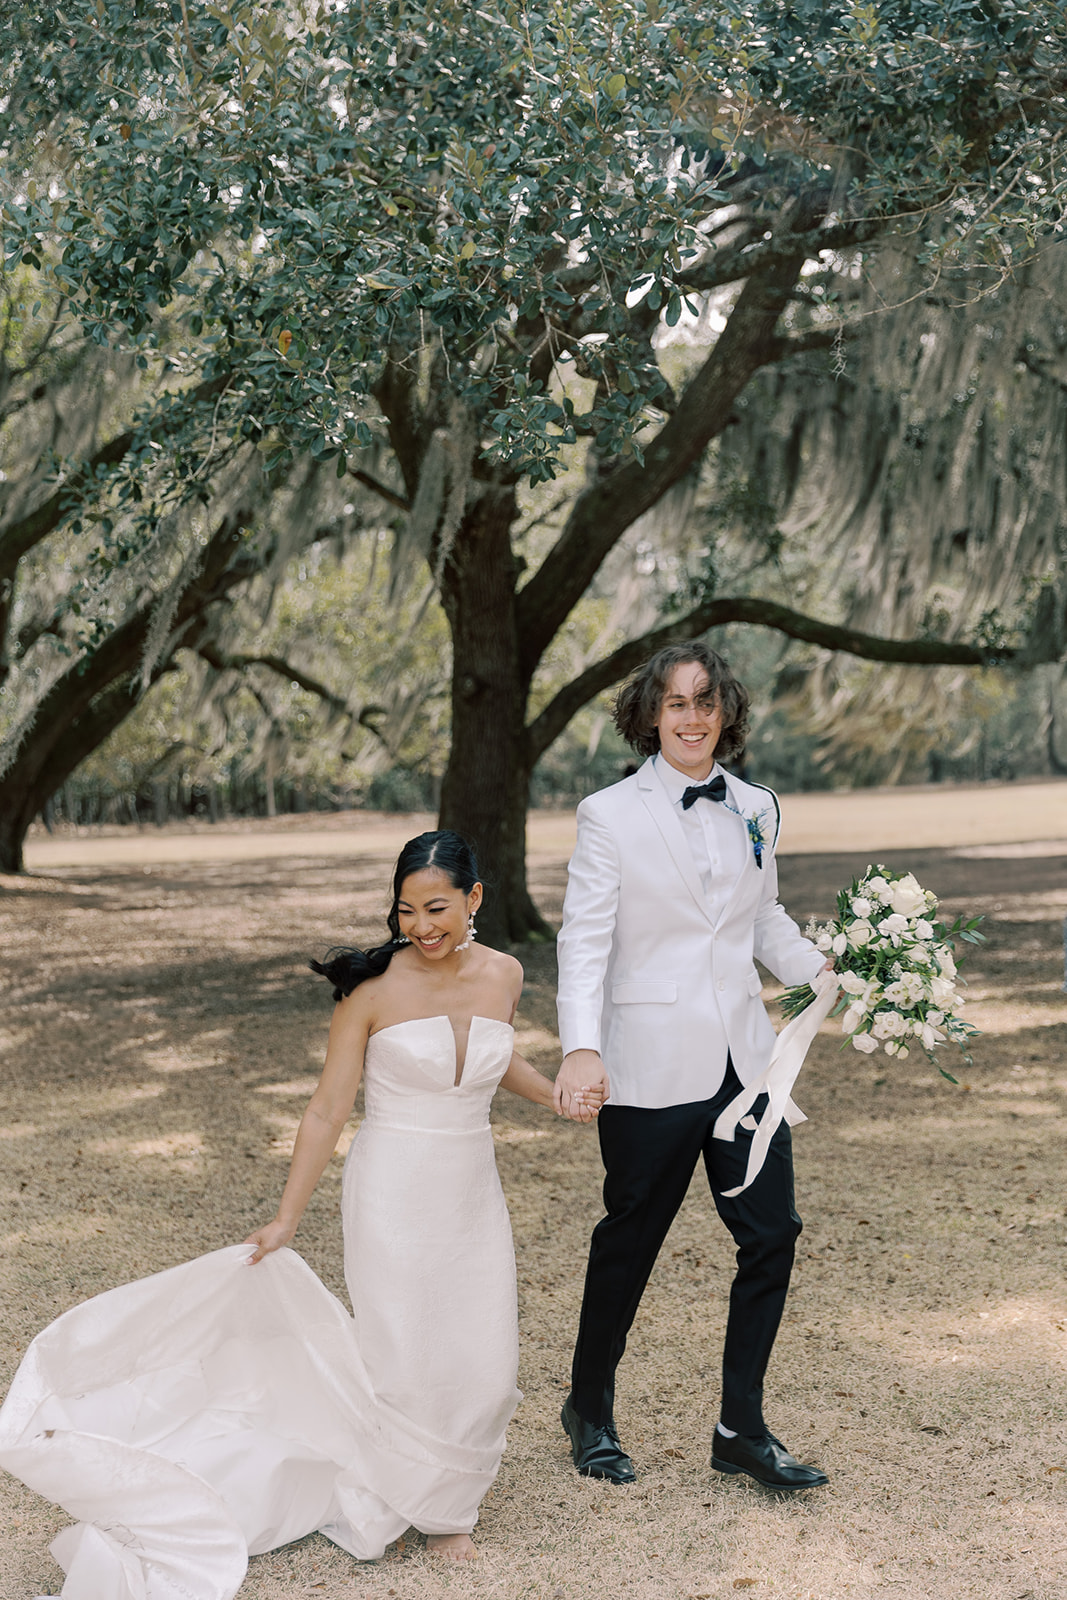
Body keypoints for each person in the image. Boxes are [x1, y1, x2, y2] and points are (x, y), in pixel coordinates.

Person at [0, 831, 599, 1599]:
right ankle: (425, 1505)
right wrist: (286, 1217)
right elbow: (326, 1108)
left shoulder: (506, 975)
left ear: (476, 899)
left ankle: (448, 1490)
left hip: (470, 1184)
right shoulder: (372, 990)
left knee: (481, 1350)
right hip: (393, 1185)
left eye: (438, 908)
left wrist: (553, 1093)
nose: (421, 926)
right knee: (404, 1345)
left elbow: (487, 1055)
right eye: (406, 910)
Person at [553, 642, 831, 1492]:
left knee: (771, 1234)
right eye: (675, 703)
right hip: (647, 1063)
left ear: (726, 712)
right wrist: (580, 1045)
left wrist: (824, 971)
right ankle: (589, 1411)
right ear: (649, 715)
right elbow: (585, 939)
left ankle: (739, 1428)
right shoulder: (609, 814)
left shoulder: (757, 806)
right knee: (629, 1242)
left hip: (745, 1065)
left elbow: (762, 916)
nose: (692, 716)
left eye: (706, 701)